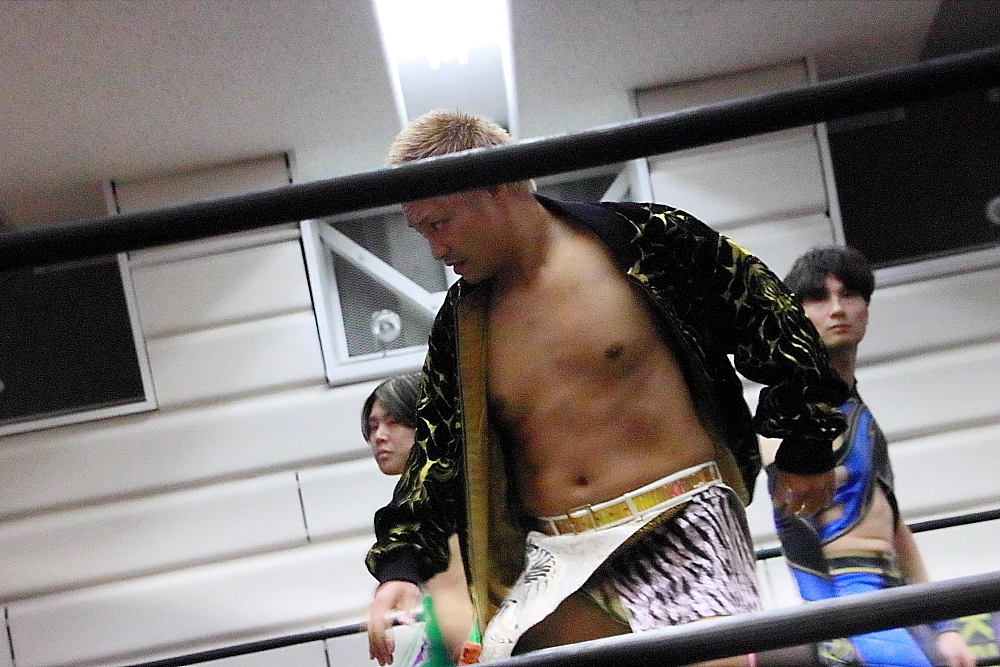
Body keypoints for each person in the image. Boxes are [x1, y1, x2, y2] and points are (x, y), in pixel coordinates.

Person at [366, 109, 852, 666]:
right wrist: (400, 568)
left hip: (680, 514)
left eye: (440, 223)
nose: (435, 249)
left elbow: (772, 320)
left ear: (494, 186)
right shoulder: (462, 325)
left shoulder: (649, 241)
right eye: (422, 231)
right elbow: (438, 450)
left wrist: (808, 443)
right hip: (553, 552)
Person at [763, 246, 975, 667]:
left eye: (849, 295)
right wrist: (834, 631)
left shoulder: (856, 411)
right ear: (796, 315)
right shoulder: (794, 412)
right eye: (818, 298)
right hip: (852, 609)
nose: (837, 309)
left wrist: (945, 625)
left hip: (889, 602)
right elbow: (792, 521)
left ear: (866, 308)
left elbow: (894, 526)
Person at [363, 373, 480, 666]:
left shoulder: (453, 483)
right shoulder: (414, 498)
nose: (379, 436)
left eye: (393, 422)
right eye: (373, 427)